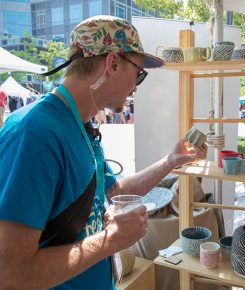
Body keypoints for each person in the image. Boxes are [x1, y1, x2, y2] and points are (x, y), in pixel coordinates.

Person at [0, 15, 207, 290]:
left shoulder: (81, 126)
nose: (136, 86)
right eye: (139, 72)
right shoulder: (34, 133)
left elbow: (112, 190)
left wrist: (171, 161)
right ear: (112, 63)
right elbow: (10, 273)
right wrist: (110, 240)